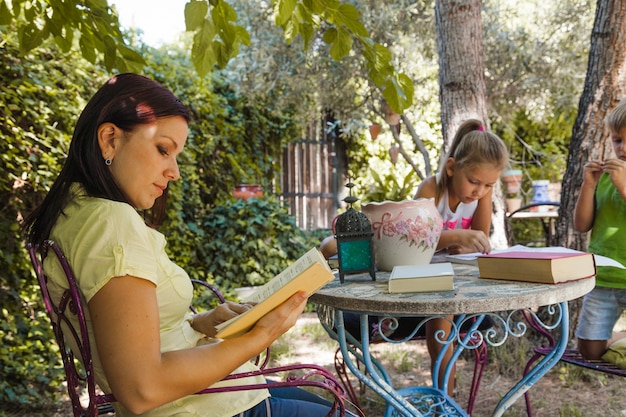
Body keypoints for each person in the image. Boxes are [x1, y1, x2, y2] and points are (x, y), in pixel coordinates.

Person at [23, 73, 345, 417]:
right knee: (341, 404)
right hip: (204, 406)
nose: (174, 171)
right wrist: (259, 336)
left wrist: (205, 321)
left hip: (215, 393)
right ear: (109, 139)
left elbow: (132, 335)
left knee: (323, 402)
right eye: (163, 149)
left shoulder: (73, 212)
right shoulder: (110, 223)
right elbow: (141, 388)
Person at [414, 118, 508, 395]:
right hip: (423, 275)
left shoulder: (481, 196)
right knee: (443, 331)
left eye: (489, 185)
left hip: (459, 275)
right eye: (474, 182)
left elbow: (479, 238)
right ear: (452, 167)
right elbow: (416, 240)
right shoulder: (431, 190)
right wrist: (456, 237)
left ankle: (446, 398)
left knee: (450, 319)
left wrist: (467, 244)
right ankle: (445, 399)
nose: (480, 191)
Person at [573, 98, 626, 361]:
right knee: (589, 351)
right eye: (617, 140)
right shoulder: (606, 176)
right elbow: (581, 225)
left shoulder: (618, 179)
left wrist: (623, 186)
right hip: (603, 276)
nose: (623, 148)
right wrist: (589, 185)